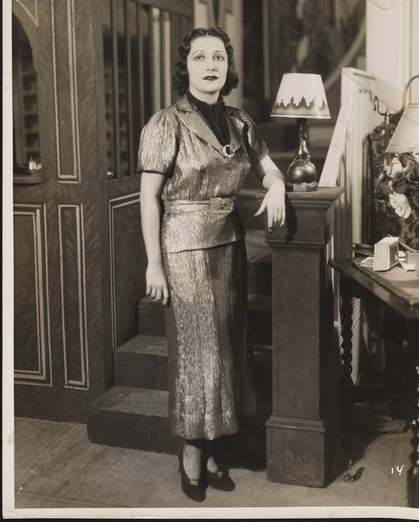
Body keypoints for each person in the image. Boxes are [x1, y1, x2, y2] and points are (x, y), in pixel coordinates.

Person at [138, 27, 286, 502]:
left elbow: (268, 167)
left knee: (225, 349)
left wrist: (278, 186)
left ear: (227, 66)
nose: (210, 66)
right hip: (184, 247)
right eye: (200, 57)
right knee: (198, 353)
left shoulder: (239, 121)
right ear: (186, 67)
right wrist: (154, 264)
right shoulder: (166, 122)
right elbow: (148, 198)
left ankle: (213, 447)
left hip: (229, 244)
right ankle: (192, 451)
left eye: (218, 57)